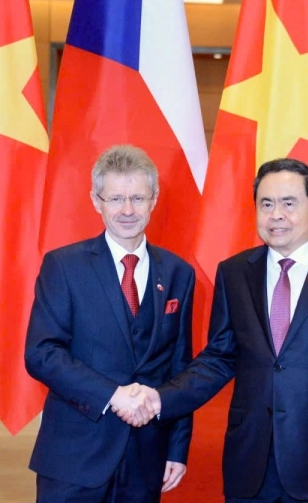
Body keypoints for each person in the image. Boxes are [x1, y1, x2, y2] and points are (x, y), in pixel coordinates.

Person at [122, 158, 308, 502]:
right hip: (249, 464)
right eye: (266, 204)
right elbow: (219, 357)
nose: (276, 214)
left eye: (289, 203)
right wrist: (161, 398)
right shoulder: (234, 273)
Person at [24, 145, 195, 503]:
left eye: (137, 198)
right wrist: (112, 395)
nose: (128, 210)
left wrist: (177, 448)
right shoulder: (63, 267)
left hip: (147, 460)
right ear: (96, 201)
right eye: (116, 198)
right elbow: (42, 353)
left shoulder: (179, 273)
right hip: (74, 459)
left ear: (154, 200)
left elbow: (180, 367)